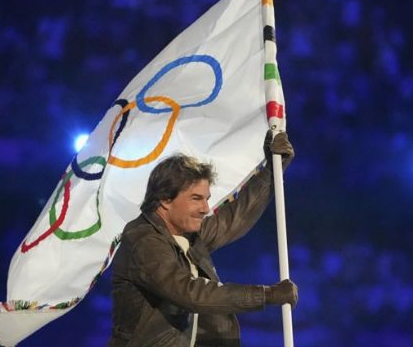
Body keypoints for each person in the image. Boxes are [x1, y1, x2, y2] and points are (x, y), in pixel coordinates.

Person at [108, 132, 298, 347]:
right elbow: (192, 294)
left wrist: (272, 172)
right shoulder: (144, 240)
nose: (205, 209)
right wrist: (266, 294)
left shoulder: (187, 233)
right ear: (164, 200)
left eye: (206, 199)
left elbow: (234, 218)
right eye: (196, 199)